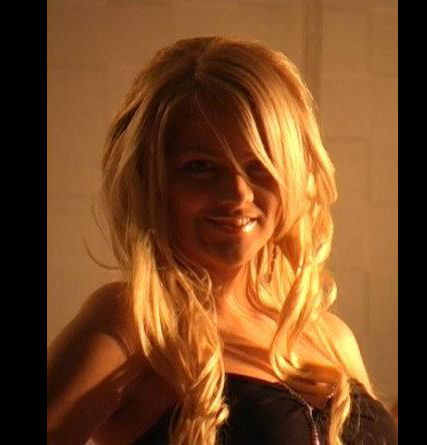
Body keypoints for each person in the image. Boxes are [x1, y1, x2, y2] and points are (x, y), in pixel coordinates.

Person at [47, 36, 397, 445]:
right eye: (201, 167)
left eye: (259, 165)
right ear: (153, 180)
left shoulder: (330, 336)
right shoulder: (134, 324)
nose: (237, 194)